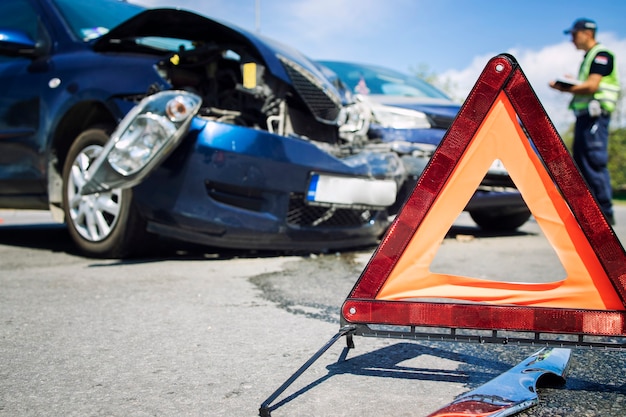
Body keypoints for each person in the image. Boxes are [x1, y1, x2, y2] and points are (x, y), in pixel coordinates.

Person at [550, 18, 620, 225]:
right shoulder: (589, 57)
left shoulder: (601, 55)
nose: (572, 39)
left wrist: (566, 87)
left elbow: (591, 86)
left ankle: (604, 215)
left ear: (587, 33)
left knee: (593, 161)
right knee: (582, 162)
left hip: (595, 117)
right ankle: (590, 214)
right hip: (585, 118)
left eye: (574, 34)